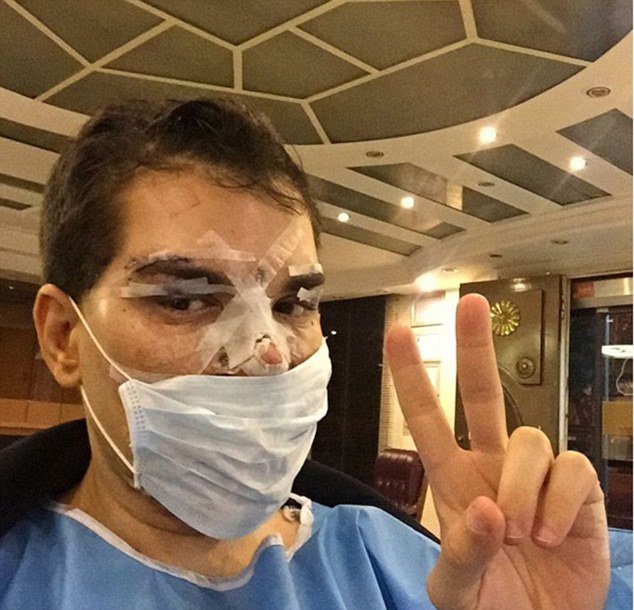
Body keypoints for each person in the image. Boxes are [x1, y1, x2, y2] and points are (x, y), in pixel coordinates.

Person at [0, 97, 630, 609]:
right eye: (186, 299)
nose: (268, 355)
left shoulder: (416, 571)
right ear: (63, 337)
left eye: (293, 304)